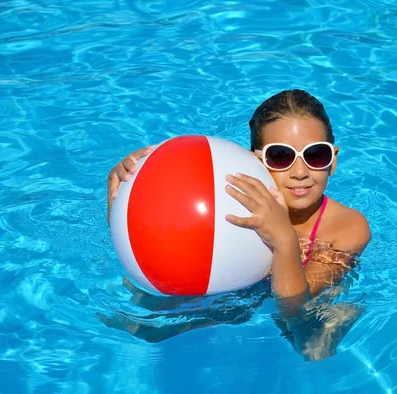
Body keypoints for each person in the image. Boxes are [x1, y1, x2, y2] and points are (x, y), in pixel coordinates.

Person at [101, 89, 372, 360]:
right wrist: (125, 187)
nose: (300, 172)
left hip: (297, 307)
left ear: (333, 161)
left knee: (312, 348)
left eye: (315, 155)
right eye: (280, 156)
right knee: (158, 320)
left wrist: (284, 240)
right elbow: (145, 234)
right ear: (256, 162)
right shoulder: (228, 198)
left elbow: (292, 309)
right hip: (240, 292)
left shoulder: (347, 226)